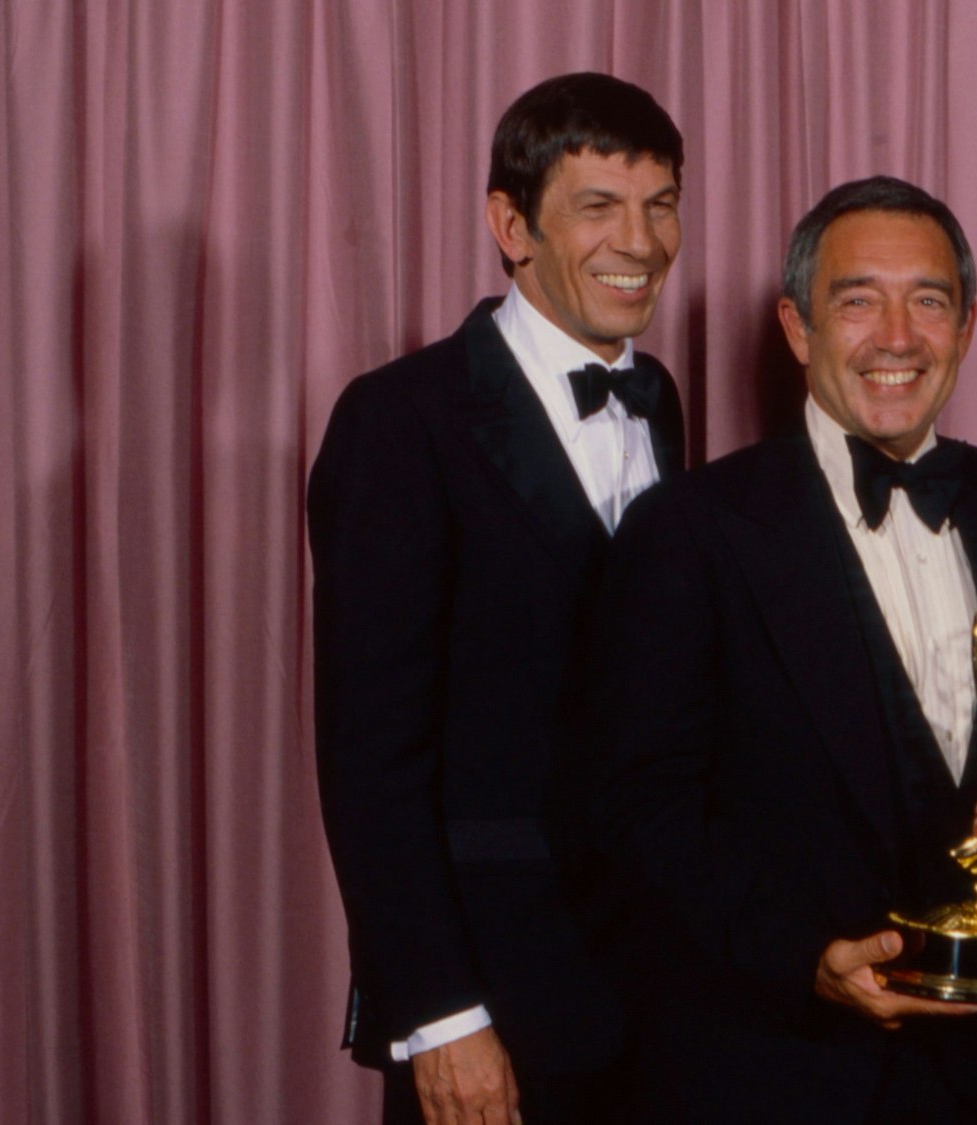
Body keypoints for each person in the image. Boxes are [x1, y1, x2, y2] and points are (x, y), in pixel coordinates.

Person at [554, 176, 977, 1123]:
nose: (896, 336)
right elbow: (636, 808)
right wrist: (803, 958)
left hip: (972, 1077)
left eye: (928, 301)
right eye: (858, 299)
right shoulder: (690, 529)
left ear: (966, 326)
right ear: (798, 330)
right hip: (761, 1068)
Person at [307, 72, 686, 1125]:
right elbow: (368, 760)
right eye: (599, 207)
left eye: (661, 205)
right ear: (509, 225)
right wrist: (438, 1014)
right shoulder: (399, 423)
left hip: (644, 986)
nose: (643, 242)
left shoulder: (659, 406)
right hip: (487, 998)